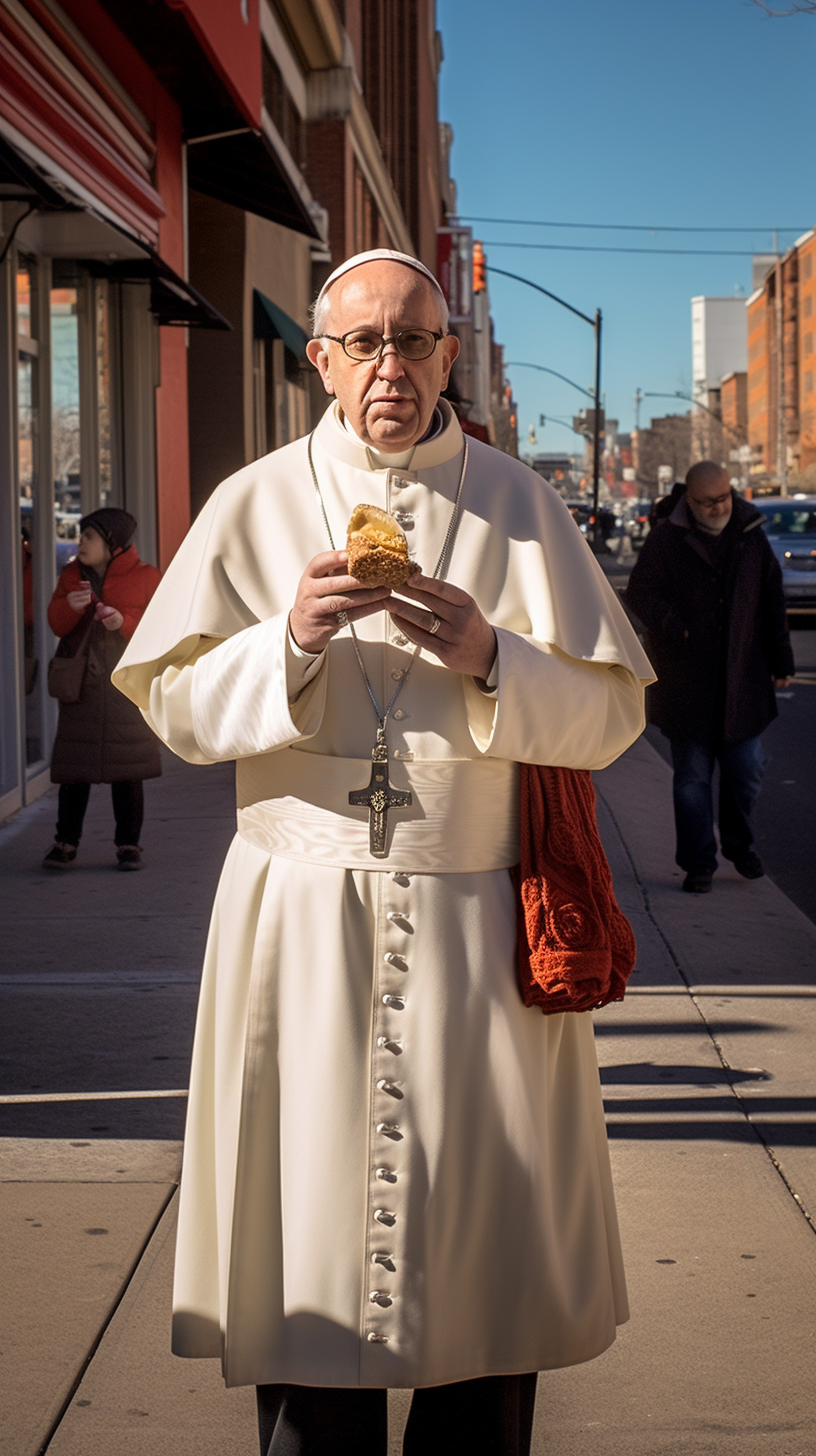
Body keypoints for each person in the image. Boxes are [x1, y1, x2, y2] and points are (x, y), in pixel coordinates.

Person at [113, 249, 653, 1455]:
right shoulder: (252, 501)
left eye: (415, 341)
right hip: (298, 920)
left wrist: (495, 660)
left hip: (475, 928)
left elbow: (615, 711)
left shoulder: (522, 504)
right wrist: (287, 644)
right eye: (364, 343)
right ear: (321, 359)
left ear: (449, 356)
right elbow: (173, 704)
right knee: (308, 1260)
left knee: (482, 1277)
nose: (391, 367)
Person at [625, 461, 794, 894]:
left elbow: (772, 600)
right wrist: (673, 624)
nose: (719, 507)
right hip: (686, 682)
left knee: (747, 770)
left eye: (725, 498)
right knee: (692, 780)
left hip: (743, 677)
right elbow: (641, 591)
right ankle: (699, 862)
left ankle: (739, 846)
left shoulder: (750, 534)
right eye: (708, 502)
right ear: (691, 500)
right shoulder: (667, 538)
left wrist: (782, 662)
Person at [43, 508, 161, 871]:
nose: (80, 543)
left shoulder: (146, 577)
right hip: (84, 683)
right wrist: (69, 607)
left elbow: (160, 627)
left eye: (88, 536)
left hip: (126, 681)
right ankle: (65, 842)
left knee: (128, 768)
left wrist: (122, 621)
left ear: (112, 542)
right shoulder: (70, 576)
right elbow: (56, 624)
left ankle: (129, 844)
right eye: (80, 536)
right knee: (74, 767)